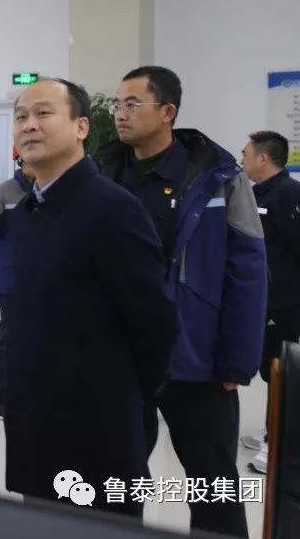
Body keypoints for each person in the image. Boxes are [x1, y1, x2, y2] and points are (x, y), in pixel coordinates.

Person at [96, 66, 265, 536]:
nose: (120, 113)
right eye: (118, 104)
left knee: (213, 485)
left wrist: (236, 360)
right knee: (116, 482)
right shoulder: (101, 175)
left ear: (167, 111)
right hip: (121, 361)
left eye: (133, 104)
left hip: (196, 358)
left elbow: (248, 273)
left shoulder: (219, 178)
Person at [5, 78, 177, 518]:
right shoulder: (26, 212)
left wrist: (122, 394)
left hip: (97, 427)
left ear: (81, 127)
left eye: (44, 113)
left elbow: (154, 323)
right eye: (21, 116)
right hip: (36, 421)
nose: (29, 125)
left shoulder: (112, 208)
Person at [240, 130, 300, 473]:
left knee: (281, 372)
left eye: (246, 154)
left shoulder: (289, 194)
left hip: (285, 303)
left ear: (263, 158)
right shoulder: (256, 193)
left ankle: (276, 443)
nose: (242, 160)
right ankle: (271, 430)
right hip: (263, 300)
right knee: (268, 370)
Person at [0, 149, 35, 420]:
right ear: (19, 161)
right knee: (11, 339)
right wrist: (4, 261)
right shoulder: (0, 195)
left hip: (49, 279)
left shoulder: (56, 191)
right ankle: (1, 398)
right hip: (12, 282)